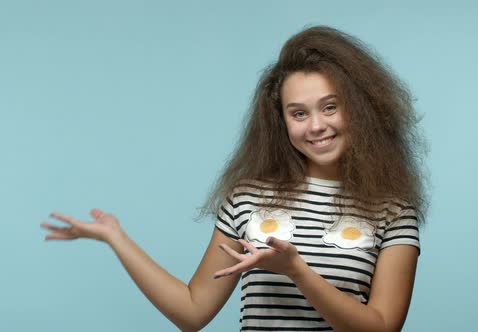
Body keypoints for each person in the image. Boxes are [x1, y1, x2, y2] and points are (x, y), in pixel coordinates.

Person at [40, 25, 427, 332]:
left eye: (330, 107)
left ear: (359, 108)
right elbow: (192, 313)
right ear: (281, 122)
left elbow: (381, 327)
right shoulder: (248, 199)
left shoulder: (392, 211)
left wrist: (297, 271)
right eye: (298, 113)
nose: (317, 126)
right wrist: (116, 238)